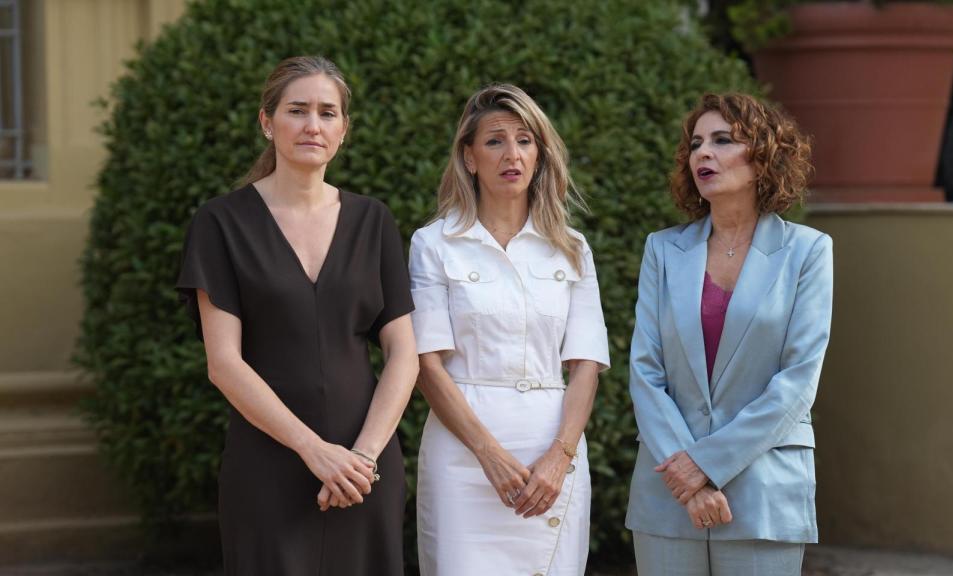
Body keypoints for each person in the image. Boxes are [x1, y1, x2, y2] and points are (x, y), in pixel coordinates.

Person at [175, 56, 418, 576]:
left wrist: (362, 458)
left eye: (327, 113)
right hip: (267, 465)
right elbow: (224, 363)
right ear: (267, 122)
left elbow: (404, 353)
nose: (313, 125)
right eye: (297, 110)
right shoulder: (220, 223)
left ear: (343, 129)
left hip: (365, 469)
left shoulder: (373, 220)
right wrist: (314, 450)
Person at [627, 92, 832, 576]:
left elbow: (798, 381)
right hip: (668, 490)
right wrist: (687, 476)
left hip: (764, 491)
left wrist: (706, 466)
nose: (703, 152)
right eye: (696, 144)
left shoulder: (808, 251)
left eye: (722, 140)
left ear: (762, 156)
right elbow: (645, 371)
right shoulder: (662, 250)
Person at [409, 84, 610, 576]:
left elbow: (586, 364)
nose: (512, 154)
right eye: (495, 141)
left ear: (539, 156)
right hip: (462, 457)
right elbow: (426, 365)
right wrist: (489, 454)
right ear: (469, 157)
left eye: (524, 141)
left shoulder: (572, 248)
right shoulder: (434, 244)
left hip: (552, 454)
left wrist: (561, 457)